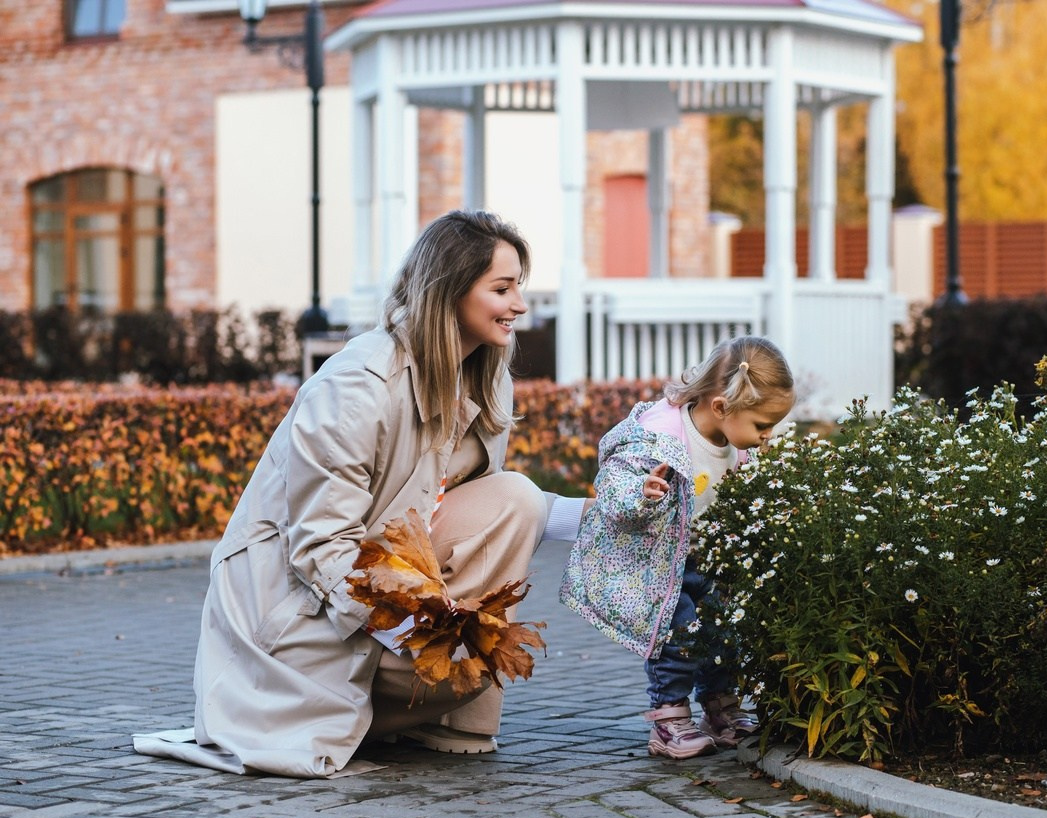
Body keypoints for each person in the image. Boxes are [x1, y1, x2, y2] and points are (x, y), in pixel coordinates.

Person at [133, 210, 587, 778]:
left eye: (520, 285)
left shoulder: (486, 374)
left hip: (387, 572)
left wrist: (603, 516)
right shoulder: (357, 386)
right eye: (502, 288)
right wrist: (425, 632)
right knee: (475, 588)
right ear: (448, 291)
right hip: (296, 608)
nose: (521, 304)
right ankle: (402, 695)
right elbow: (321, 549)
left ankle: (442, 715)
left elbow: (466, 503)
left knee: (515, 498)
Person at [561, 336, 795, 759]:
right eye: (762, 425)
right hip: (658, 563)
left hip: (710, 560)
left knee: (725, 630)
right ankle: (669, 719)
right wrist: (642, 493)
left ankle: (719, 708)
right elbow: (613, 487)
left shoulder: (736, 446)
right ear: (722, 407)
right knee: (680, 634)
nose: (767, 437)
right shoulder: (658, 438)